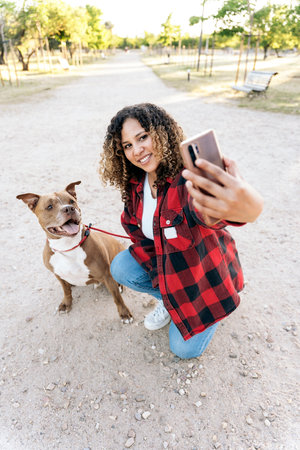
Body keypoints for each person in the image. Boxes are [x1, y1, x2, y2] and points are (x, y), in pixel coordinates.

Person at [99, 103, 263, 359]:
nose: (137, 150)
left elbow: (211, 214)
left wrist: (249, 208)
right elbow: (138, 234)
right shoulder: (135, 184)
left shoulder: (188, 180)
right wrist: (163, 284)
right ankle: (169, 301)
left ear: (162, 133)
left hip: (204, 281)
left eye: (143, 137)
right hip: (171, 273)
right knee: (120, 266)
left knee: (184, 350)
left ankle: (215, 310)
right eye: (127, 145)